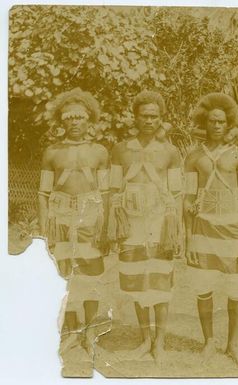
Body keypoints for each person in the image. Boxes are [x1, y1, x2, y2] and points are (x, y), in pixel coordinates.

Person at [38, 88, 110, 377]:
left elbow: (106, 192)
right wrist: (46, 230)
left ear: (89, 120)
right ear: (62, 121)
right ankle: (69, 332)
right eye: (70, 118)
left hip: (92, 217)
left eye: (80, 118)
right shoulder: (52, 152)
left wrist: (106, 228)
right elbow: (43, 193)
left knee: (92, 274)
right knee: (64, 276)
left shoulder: (99, 152)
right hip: (60, 217)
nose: (75, 123)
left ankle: (90, 332)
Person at [109, 90, 183, 362]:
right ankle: (144, 340)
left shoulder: (170, 152)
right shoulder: (120, 150)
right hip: (130, 224)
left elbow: (175, 193)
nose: (149, 120)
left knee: (161, 282)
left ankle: (160, 344)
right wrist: (112, 225)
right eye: (144, 116)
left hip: (161, 222)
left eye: (155, 116)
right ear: (136, 117)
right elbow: (113, 189)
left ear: (161, 118)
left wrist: (177, 230)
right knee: (138, 281)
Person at [184, 93, 238, 364]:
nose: (216, 125)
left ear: (228, 124)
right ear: (205, 122)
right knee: (203, 289)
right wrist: (189, 238)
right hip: (203, 231)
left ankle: (232, 345)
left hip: (234, 231)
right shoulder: (193, 158)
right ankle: (209, 342)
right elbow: (188, 200)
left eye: (221, 121)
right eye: (212, 121)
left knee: (236, 291)